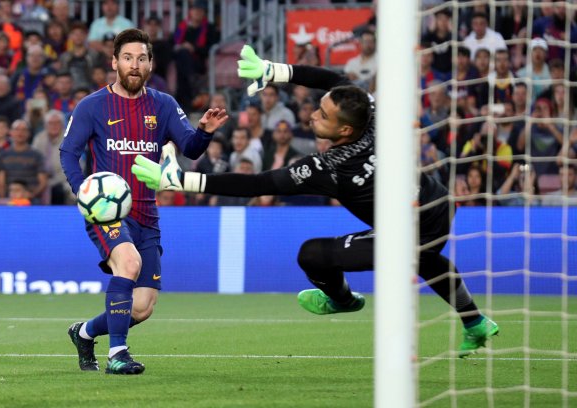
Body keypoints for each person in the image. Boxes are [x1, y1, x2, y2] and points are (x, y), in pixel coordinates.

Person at [132, 45, 499, 357]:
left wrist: (181, 179)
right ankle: (475, 322)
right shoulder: (365, 110)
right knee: (427, 257)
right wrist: (272, 70)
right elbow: (330, 80)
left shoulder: (329, 167)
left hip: (412, 224)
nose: (312, 114)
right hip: (437, 201)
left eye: (322, 116)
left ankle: (341, 300)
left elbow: (257, 182)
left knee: (313, 255)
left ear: (343, 131)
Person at [59, 28, 228, 375]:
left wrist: (205, 131)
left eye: (141, 58)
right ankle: (117, 354)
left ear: (150, 64)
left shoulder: (163, 105)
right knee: (129, 265)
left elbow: (191, 148)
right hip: (108, 212)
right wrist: (85, 192)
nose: (134, 65)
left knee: (142, 307)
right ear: (114, 62)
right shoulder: (92, 105)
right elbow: (68, 152)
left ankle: (85, 332)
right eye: (127, 58)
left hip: (147, 214)